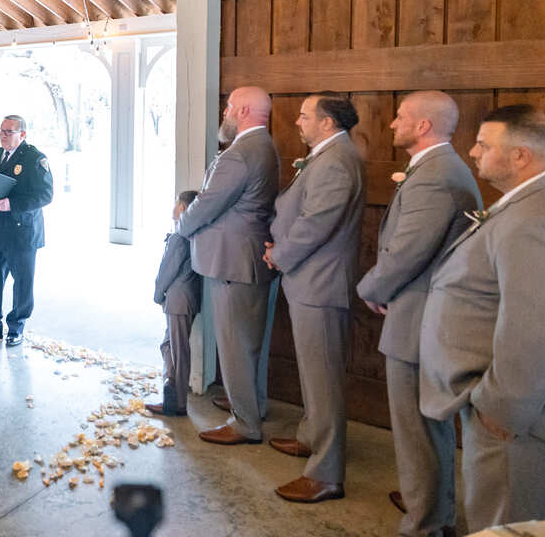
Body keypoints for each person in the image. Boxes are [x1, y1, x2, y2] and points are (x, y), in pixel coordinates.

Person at [419, 105, 545, 531]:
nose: (472, 152)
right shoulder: (538, 199)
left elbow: (538, 329)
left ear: (521, 156)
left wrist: (501, 409)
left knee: (508, 523)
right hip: (514, 409)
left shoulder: (543, 217)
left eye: (485, 145)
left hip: (521, 419)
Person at [355, 91, 480, 537]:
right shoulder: (436, 169)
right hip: (420, 309)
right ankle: (431, 502)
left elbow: (408, 250)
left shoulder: (435, 176)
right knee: (422, 425)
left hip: (419, 315)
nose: (392, 123)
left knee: (417, 427)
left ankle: (425, 522)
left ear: (424, 126)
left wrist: (370, 287)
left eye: (401, 117)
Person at [263, 92, 365, 503]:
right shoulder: (328, 155)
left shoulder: (337, 160)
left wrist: (279, 255)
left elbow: (316, 223)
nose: (298, 122)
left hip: (319, 283)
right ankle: (311, 436)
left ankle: (325, 474)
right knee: (314, 371)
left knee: (323, 379)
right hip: (309, 279)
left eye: (305, 116)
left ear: (327, 122)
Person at [177, 86, 280, 443]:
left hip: (233, 262)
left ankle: (245, 423)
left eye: (229, 107)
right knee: (251, 342)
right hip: (250, 257)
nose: (225, 113)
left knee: (236, 343)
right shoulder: (266, 146)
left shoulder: (239, 154)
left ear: (244, 110)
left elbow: (207, 204)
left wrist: (180, 226)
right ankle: (252, 403)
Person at [0, 115, 53, 347]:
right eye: (1, 131)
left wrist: (12, 204)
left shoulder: (34, 158)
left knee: (22, 284)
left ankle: (17, 327)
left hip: (21, 232)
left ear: (23, 134)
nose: (3, 135)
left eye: (9, 132)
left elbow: (46, 195)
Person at [144, 190, 202, 417]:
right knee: (169, 345)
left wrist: (158, 293)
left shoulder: (180, 237)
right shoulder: (196, 232)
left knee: (178, 350)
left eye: (176, 203)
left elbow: (167, 270)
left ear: (183, 208)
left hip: (178, 299)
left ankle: (177, 402)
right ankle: (170, 387)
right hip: (187, 298)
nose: (173, 207)